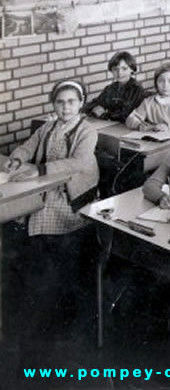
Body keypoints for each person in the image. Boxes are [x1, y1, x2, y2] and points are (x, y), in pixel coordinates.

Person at [3, 80, 99, 336]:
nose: (65, 107)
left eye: (71, 102)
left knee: (38, 215)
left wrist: (39, 169)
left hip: (74, 193)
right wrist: (17, 158)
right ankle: (40, 279)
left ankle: (53, 292)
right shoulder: (48, 127)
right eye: (60, 102)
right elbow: (28, 145)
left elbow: (79, 163)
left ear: (81, 104)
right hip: (49, 185)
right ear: (53, 104)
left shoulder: (87, 131)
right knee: (25, 213)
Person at [126, 62, 170, 132]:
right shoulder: (148, 103)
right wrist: (139, 124)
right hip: (157, 139)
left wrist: (169, 126)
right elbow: (131, 119)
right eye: (161, 81)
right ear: (156, 83)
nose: (165, 85)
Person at [83, 51, 146, 122]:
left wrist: (104, 114)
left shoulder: (137, 89)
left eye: (124, 69)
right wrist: (95, 107)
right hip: (111, 126)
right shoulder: (110, 88)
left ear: (132, 69)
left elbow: (126, 114)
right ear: (111, 71)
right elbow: (94, 103)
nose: (119, 73)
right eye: (115, 69)